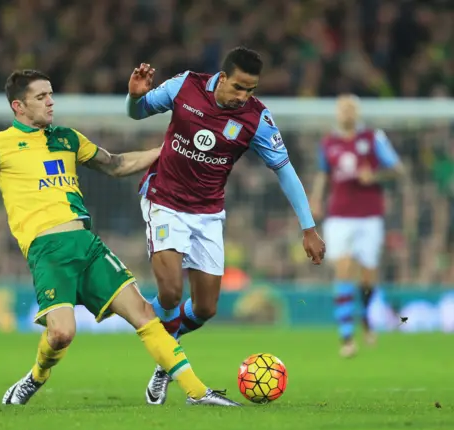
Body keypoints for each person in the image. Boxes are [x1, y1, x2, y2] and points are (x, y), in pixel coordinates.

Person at [0, 69, 241, 407]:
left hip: (87, 245)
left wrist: (169, 152)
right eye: (41, 97)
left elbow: (115, 165)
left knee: (145, 314)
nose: (51, 101)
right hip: (47, 250)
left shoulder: (66, 137)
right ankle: (35, 377)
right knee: (61, 334)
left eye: (51, 94)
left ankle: (197, 393)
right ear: (19, 106)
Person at [125, 46, 326, 405]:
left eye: (250, 89)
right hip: (165, 200)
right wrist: (133, 97)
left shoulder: (256, 119)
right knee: (170, 293)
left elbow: (285, 171)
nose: (243, 96)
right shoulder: (184, 86)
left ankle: (164, 363)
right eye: (238, 87)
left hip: (208, 213)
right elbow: (137, 112)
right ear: (222, 76)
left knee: (205, 309)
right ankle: (174, 368)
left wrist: (308, 227)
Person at [309, 94, 404, 358]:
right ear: (337, 113)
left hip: (369, 215)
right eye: (343, 108)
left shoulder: (373, 139)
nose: (347, 113)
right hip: (339, 215)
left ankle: (367, 320)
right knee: (343, 268)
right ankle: (347, 337)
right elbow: (323, 173)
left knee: (368, 275)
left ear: (358, 112)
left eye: (351, 108)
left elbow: (398, 169)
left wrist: (374, 175)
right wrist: (316, 198)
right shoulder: (328, 142)